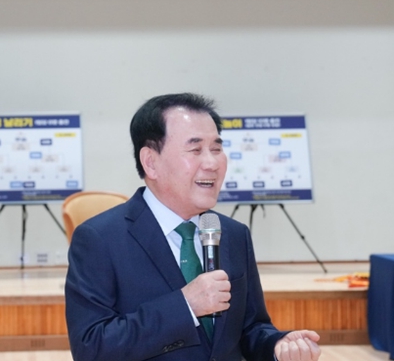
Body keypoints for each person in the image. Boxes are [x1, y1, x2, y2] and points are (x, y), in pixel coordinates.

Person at [65, 93, 321, 361]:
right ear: (151, 162)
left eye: (217, 149)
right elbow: (91, 348)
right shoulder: (100, 239)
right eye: (196, 150)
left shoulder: (233, 234)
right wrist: (185, 306)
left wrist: (277, 346)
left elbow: (250, 329)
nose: (212, 163)